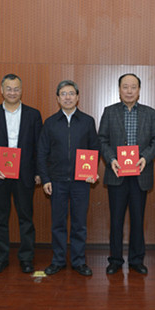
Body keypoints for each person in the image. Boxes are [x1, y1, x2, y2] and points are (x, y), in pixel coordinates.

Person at [98, 73, 155, 275]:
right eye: (125, 87)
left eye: (133, 87)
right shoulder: (109, 112)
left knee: (137, 219)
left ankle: (136, 260)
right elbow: (102, 139)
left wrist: (145, 157)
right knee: (116, 220)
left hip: (140, 174)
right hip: (117, 173)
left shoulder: (150, 113)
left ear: (139, 90)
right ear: (119, 90)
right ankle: (115, 260)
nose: (129, 91)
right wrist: (111, 159)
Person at [0, 74, 43, 274]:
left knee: (26, 218)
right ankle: (1, 258)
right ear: (2, 90)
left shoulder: (33, 114)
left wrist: (38, 172)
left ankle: (26, 258)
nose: (12, 92)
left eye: (16, 89)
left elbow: (39, 146)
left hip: (25, 174)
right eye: (9, 88)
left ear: (21, 90)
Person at [37, 80, 100, 277]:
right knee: (58, 223)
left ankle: (79, 261)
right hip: (57, 181)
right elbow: (42, 153)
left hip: (81, 182)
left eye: (71, 93)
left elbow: (94, 148)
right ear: (57, 98)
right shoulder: (50, 123)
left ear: (77, 97)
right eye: (63, 94)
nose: (67, 97)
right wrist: (45, 179)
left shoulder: (87, 121)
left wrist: (92, 172)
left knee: (79, 224)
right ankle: (58, 260)